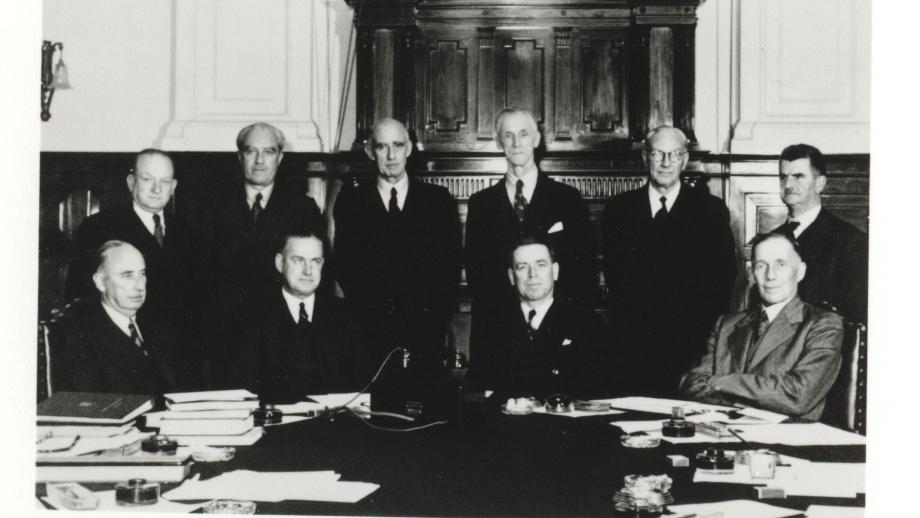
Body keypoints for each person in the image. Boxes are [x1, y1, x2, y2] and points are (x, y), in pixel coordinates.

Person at [603, 126, 737, 396]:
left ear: (685, 160)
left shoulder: (710, 211)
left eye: (674, 155)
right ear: (645, 158)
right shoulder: (619, 210)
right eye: (658, 154)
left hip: (690, 348)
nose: (666, 163)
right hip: (633, 350)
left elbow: (722, 281)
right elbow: (616, 281)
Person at [465, 108, 595, 368]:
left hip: (556, 333)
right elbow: (477, 274)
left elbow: (582, 269)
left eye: (523, 134)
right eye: (508, 135)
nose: (516, 143)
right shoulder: (481, 204)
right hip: (498, 334)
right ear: (499, 142)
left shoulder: (567, 199)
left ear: (537, 140)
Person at [198, 122, 324, 381]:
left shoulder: (303, 208)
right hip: (225, 337)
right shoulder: (211, 206)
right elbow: (200, 272)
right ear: (239, 156)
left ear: (280, 157)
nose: (259, 161)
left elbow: (314, 274)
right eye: (251, 151)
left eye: (268, 152)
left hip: (281, 337)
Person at [333, 118, 462, 369]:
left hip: (424, 332)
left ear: (409, 149)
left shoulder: (437, 201)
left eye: (398, 145)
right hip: (368, 331)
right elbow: (345, 267)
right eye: (382, 147)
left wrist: (428, 318)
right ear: (371, 151)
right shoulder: (352, 202)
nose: (391, 155)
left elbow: (449, 267)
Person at [680, 231, 844, 421]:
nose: (770, 275)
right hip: (724, 435)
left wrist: (721, 383)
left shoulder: (823, 324)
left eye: (780, 264)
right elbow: (690, 383)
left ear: (800, 271)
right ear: (752, 273)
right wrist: (760, 396)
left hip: (788, 441)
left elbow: (797, 396)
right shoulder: (726, 324)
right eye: (761, 265)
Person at [65, 149, 198, 342]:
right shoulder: (98, 227)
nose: (157, 189)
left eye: (165, 181)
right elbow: (80, 294)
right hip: (122, 343)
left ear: (174, 186)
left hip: (177, 347)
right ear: (131, 182)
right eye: (147, 179)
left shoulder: (187, 231)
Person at [229, 232, 370, 402]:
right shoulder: (251, 316)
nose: (308, 271)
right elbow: (241, 385)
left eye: (315, 261)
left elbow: (362, 384)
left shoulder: (345, 315)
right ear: (280, 263)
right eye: (298, 260)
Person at [467, 236, 604, 399]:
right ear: (511, 276)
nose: (533, 274)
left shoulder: (585, 324)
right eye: (522, 267)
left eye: (541, 264)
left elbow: (594, 392)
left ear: (555, 271)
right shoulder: (491, 327)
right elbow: (478, 390)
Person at [52, 241, 178, 394]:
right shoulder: (77, 336)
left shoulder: (159, 327)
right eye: (127, 275)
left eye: (142, 274)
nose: (139, 286)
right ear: (100, 282)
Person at [772, 144, 868, 322]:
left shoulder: (850, 241)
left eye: (798, 176)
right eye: (783, 176)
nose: (788, 184)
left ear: (820, 184)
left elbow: (856, 313)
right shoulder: (771, 240)